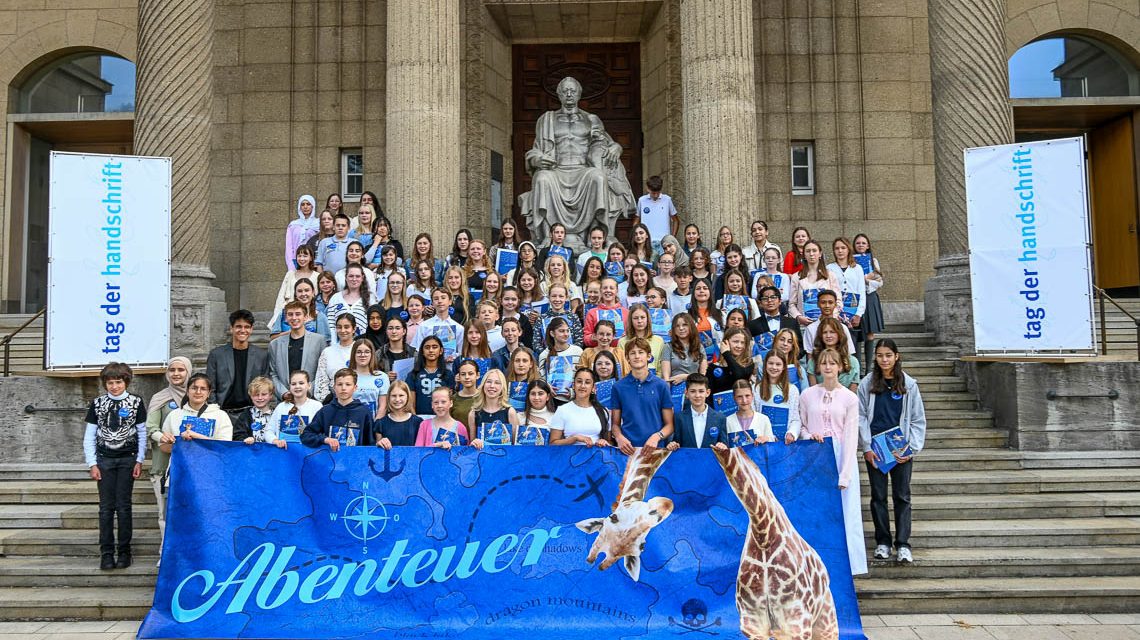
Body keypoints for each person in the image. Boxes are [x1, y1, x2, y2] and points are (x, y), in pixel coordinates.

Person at [798, 348, 867, 576]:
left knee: (846, 510)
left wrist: (844, 473)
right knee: (816, 509)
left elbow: (850, 436)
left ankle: (849, 564)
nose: (828, 367)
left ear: (840, 366)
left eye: (832, 363)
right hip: (815, 454)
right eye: (824, 363)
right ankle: (816, 562)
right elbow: (802, 426)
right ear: (818, 367)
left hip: (840, 454)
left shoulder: (850, 398)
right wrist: (810, 437)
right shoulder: (807, 395)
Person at [858, 339, 926, 564]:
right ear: (875, 357)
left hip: (900, 449)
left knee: (902, 496)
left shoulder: (909, 384)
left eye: (888, 355)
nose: (884, 359)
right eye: (879, 355)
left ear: (896, 356)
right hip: (877, 449)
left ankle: (903, 544)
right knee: (878, 496)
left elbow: (917, 419)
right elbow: (861, 416)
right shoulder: (867, 383)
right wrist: (867, 447)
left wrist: (911, 449)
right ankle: (883, 542)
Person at [83, 362, 147, 570]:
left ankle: (125, 551)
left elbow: (142, 433)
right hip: (105, 460)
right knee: (106, 508)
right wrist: (92, 463)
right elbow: (89, 435)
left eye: (118, 382)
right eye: (110, 383)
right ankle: (107, 552)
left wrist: (139, 459)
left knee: (124, 506)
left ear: (126, 382)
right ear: (105, 384)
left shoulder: (136, 402)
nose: (114, 386)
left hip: (127, 459)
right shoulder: (98, 403)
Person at [144, 356, 190, 548]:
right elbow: (150, 427)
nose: (176, 374)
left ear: (188, 372)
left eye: (181, 370)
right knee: (164, 512)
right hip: (164, 465)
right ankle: (166, 552)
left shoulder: (196, 396)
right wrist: (160, 436)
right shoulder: (160, 399)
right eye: (172, 370)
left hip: (190, 468)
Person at [610, 337, 674, 453]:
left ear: (649, 356)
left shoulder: (661, 385)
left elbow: (669, 425)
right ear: (627, 358)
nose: (637, 356)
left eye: (641, 352)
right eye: (632, 353)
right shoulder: (618, 387)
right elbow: (615, 425)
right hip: (628, 450)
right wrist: (619, 438)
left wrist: (657, 437)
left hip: (656, 450)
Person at [206, 309, 270, 423]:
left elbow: (266, 385)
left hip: (252, 414)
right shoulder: (216, 355)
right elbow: (211, 386)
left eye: (246, 327)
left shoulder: (261, 355)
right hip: (223, 413)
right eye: (238, 326)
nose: (242, 330)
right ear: (231, 328)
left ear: (251, 329)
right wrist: (215, 410)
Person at [301, 369, 389, 450]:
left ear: (355, 387)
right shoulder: (325, 411)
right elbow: (306, 435)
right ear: (334, 387)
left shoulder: (364, 412)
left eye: (348, 384)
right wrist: (325, 439)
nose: (343, 388)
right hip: (330, 463)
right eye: (339, 384)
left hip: (354, 463)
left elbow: (370, 443)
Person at [159, 373, 233, 458]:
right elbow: (163, 447)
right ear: (187, 391)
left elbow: (224, 447)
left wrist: (196, 436)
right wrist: (178, 442)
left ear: (208, 393)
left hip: (211, 466)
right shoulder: (174, 415)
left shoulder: (221, 416)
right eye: (194, 388)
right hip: (182, 468)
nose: (198, 392)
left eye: (203, 389)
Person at [268, 301, 326, 398]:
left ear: (305, 317)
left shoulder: (319, 341)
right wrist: (283, 393)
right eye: (290, 314)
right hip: (285, 399)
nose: (294, 318)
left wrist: (308, 390)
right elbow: (272, 373)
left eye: (298, 314)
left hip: (310, 399)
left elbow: (322, 372)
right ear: (286, 318)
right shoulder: (275, 344)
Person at [666, 373, 729, 450]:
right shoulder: (679, 417)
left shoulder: (720, 418)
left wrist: (723, 447)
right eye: (693, 391)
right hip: (687, 460)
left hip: (710, 461)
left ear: (708, 393)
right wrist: (673, 445)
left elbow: (725, 445)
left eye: (701, 391)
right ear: (686, 393)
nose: (697, 395)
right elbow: (676, 442)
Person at [550, 368, 613, 446]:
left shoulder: (603, 411)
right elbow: (553, 443)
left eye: (587, 382)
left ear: (593, 388)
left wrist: (604, 442)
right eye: (579, 381)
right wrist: (574, 439)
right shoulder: (562, 410)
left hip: (596, 456)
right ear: (573, 385)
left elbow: (610, 442)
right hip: (569, 457)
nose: (582, 386)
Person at [789, 241, 841, 327]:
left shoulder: (830, 275)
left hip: (827, 324)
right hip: (804, 325)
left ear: (820, 254)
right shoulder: (796, 277)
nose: (811, 254)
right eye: (808, 251)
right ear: (804, 255)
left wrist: (831, 317)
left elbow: (838, 301)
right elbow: (791, 304)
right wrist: (798, 317)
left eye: (814, 250)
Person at [755, 350, 802, 444]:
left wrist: (791, 433)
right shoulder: (756, 388)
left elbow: (795, 419)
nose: (774, 367)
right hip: (763, 442)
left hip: (784, 443)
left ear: (784, 367)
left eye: (778, 364)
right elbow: (754, 417)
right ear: (765, 365)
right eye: (770, 363)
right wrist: (764, 437)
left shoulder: (792, 390)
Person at [854, 233, 886, 367]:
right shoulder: (851, 261)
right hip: (856, 299)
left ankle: (868, 368)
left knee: (870, 333)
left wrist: (866, 281)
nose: (861, 245)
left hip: (870, 297)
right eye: (858, 243)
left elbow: (879, 282)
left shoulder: (873, 261)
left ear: (868, 246)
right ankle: (858, 367)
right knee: (857, 333)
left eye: (863, 243)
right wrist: (867, 278)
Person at [265, 370, 321, 446]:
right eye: (293, 384)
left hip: (308, 452)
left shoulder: (317, 406)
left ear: (309, 385)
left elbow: (322, 432)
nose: (297, 386)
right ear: (289, 386)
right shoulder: (281, 407)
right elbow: (269, 431)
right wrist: (275, 440)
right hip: (283, 452)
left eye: (301, 383)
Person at [269, 244, 318, 331]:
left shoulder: (317, 276)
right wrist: (277, 314)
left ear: (311, 258)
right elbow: (281, 296)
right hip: (289, 313)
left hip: (308, 315)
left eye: (305, 256)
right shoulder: (290, 274)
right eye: (299, 256)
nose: (302, 259)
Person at [806, 317, 861, 390]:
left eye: (832, 332)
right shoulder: (813, 361)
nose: (828, 336)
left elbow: (853, 395)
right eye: (825, 332)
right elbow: (813, 391)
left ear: (839, 334)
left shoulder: (853, 362)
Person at [468, 369, 520, 447]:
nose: (492, 386)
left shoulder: (510, 412)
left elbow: (516, 445)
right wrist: (474, 443)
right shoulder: (473, 414)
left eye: (497, 383)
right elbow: (472, 444)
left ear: (502, 387)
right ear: (483, 385)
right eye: (489, 382)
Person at [405, 336, 455, 416]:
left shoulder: (448, 374)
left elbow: (450, 401)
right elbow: (411, 403)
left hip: (442, 418)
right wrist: (416, 420)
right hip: (420, 418)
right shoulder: (413, 374)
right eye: (427, 347)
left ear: (441, 350)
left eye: (434, 347)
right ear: (422, 351)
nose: (431, 350)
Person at [748, 285, 804, 354]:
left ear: (780, 301)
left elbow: (800, 347)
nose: (769, 300)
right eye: (765, 298)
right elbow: (750, 348)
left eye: (773, 297)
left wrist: (790, 359)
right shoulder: (753, 325)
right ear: (761, 303)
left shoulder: (792, 322)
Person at [539, 317, 583, 404]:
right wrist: (547, 388)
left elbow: (582, 376)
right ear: (552, 333)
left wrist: (573, 392)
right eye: (561, 331)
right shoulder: (544, 355)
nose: (566, 334)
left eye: (567, 330)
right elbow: (542, 379)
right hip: (552, 402)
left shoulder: (578, 351)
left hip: (575, 400)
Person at [413, 289, 465, 362]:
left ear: (450, 301)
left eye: (443, 298)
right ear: (432, 303)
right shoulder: (424, 326)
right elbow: (418, 351)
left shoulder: (459, 328)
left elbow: (461, 352)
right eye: (436, 299)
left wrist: (453, 357)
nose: (440, 301)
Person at [325, 264, 375, 338]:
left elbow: (372, 324)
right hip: (339, 345)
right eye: (351, 276)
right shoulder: (335, 298)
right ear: (346, 278)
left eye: (357, 276)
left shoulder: (370, 298)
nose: (354, 279)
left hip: (362, 345)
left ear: (362, 278)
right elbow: (331, 325)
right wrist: (334, 344)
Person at [801, 290, 855, 357]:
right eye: (823, 302)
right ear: (818, 304)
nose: (827, 306)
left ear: (835, 304)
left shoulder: (843, 328)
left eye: (830, 302)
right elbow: (810, 356)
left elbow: (849, 353)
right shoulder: (810, 329)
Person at [635, 175, 679, 253]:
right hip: (647, 241)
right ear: (648, 189)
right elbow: (636, 220)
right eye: (653, 193)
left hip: (664, 242)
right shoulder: (642, 200)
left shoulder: (667, 200)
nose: (655, 195)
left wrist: (672, 237)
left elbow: (676, 220)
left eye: (658, 193)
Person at [661, 313, 707, 385]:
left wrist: (685, 377)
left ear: (691, 326)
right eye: (677, 326)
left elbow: (703, 376)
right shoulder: (668, 347)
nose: (681, 328)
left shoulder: (699, 347)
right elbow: (666, 378)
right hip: (675, 389)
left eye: (685, 325)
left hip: (695, 389)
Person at [618, 304, 666, 374]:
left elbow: (660, 366)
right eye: (635, 318)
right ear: (631, 320)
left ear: (647, 319)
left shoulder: (658, 340)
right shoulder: (622, 342)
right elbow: (623, 367)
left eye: (642, 317)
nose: (639, 321)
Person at [583, 278, 627, 346]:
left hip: (620, 353)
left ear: (617, 291)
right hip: (599, 353)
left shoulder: (626, 312)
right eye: (605, 288)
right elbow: (586, 339)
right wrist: (593, 337)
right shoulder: (592, 313)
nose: (608, 290)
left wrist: (628, 336)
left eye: (611, 288)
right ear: (600, 290)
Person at [378, 381, 423, 447]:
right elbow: (377, 449)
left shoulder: (418, 422)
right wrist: (380, 443)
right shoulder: (380, 423)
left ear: (407, 396)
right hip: (389, 457)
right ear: (388, 397)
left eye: (401, 395)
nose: (397, 399)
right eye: (394, 396)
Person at [233, 376, 275, 443]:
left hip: (274, 451)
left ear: (271, 395)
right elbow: (237, 435)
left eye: (264, 394)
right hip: (252, 452)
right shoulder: (245, 415)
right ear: (250, 396)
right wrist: (244, 439)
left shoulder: (277, 413)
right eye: (256, 395)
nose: (260, 398)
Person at [516, 380, 556, 446]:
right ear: (528, 396)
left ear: (548, 397)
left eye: (540, 394)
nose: (536, 397)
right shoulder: (518, 416)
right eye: (533, 394)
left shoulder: (555, 418)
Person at [284, 194, 319, 271]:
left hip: (313, 262)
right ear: (300, 207)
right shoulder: (293, 225)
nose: (305, 207)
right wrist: (291, 264)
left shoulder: (318, 224)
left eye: (308, 204)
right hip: (297, 261)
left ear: (313, 206)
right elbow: (289, 247)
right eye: (303, 204)